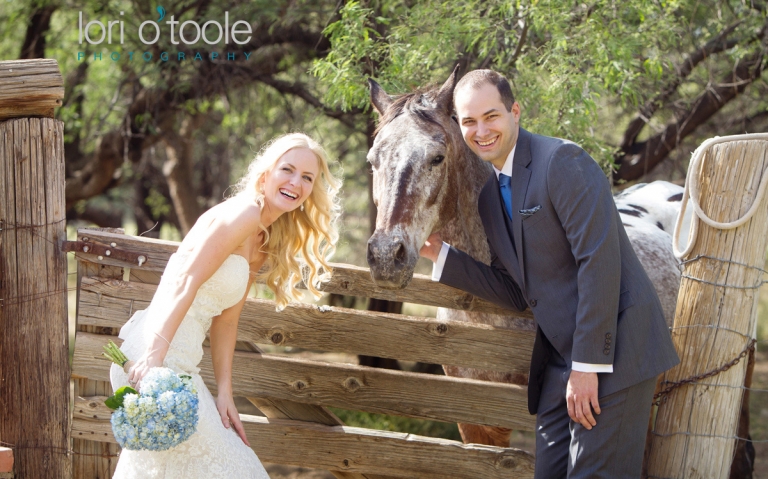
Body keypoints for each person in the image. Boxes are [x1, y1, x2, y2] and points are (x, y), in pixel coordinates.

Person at [419, 70, 679, 478]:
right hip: (559, 359)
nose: (481, 131)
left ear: (515, 111)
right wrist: (442, 256)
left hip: (615, 349)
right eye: (469, 121)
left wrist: (587, 366)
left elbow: (599, 262)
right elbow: (515, 289)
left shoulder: (562, 161)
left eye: (491, 116)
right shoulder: (490, 197)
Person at [110, 132, 341, 478]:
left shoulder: (263, 239)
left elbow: (227, 321)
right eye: (288, 170)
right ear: (266, 173)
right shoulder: (244, 213)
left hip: (182, 363)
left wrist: (224, 393)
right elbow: (185, 279)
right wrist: (155, 357)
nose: (296, 183)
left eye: (307, 177)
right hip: (155, 356)